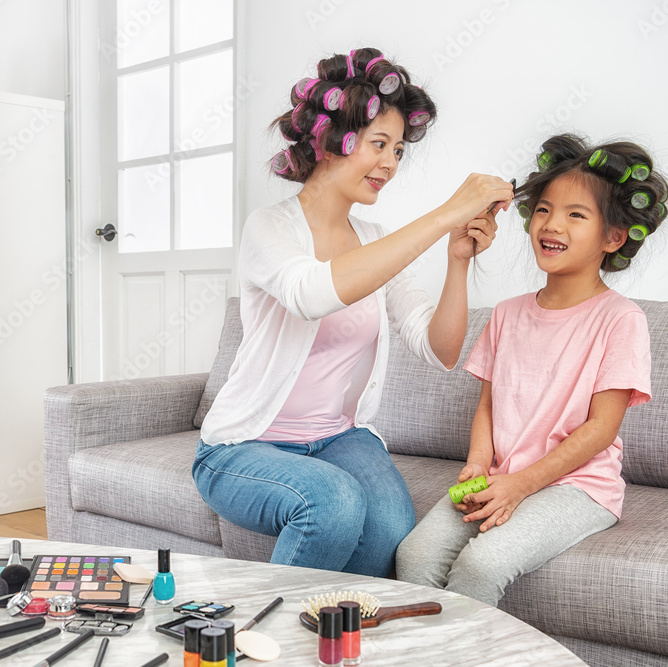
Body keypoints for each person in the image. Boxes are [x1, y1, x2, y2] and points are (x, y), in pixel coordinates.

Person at [191, 47, 514, 577]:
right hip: (243, 446)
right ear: (329, 142)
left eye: (399, 150)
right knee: (334, 502)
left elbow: (440, 350)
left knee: (390, 531)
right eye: (378, 144)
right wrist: (444, 214)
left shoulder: (374, 240)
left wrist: (456, 260)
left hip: (339, 437)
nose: (389, 163)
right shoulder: (268, 229)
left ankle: (340, 643)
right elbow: (311, 293)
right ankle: (277, 646)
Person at [396, 134, 668, 605]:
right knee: (414, 555)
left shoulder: (621, 320)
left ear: (614, 237)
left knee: (482, 564)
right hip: (500, 472)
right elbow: (487, 405)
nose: (552, 224)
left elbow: (602, 429)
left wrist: (520, 485)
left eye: (575, 214)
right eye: (543, 209)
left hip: (578, 486)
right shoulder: (506, 313)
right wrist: (478, 465)